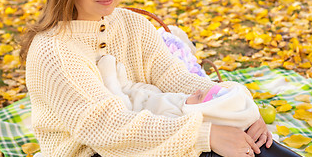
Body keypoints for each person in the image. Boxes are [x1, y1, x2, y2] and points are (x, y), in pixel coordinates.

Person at [19, 0, 312, 157]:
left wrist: (237, 108)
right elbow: (108, 127)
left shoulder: (132, 24)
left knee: (253, 142)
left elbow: (175, 78)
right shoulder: (53, 50)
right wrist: (204, 135)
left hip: (147, 126)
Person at [97, 54, 260, 131]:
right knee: (150, 90)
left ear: (201, 112)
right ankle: (126, 85)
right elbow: (174, 79)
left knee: (124, 104)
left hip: (137, 110)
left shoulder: (177, 117)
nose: (195, 91)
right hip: (152, 96)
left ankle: (113, 85)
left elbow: (156, 128)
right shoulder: (189, 102)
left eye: (198, 96)